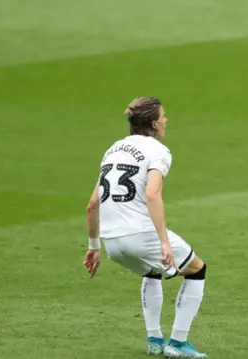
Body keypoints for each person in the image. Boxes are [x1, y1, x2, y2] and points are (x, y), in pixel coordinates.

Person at [83, 97, 209, 357]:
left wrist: (94, 247)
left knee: (151, 272)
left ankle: (154, 340)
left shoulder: (113, 149)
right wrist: (163, 242)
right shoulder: (158, 151)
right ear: (153, 123)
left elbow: (92, 205)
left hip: (111, 241)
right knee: (196, 269)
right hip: (139, 234)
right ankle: (178, 343)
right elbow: (152, 194)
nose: (166, 120)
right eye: (163, 116)